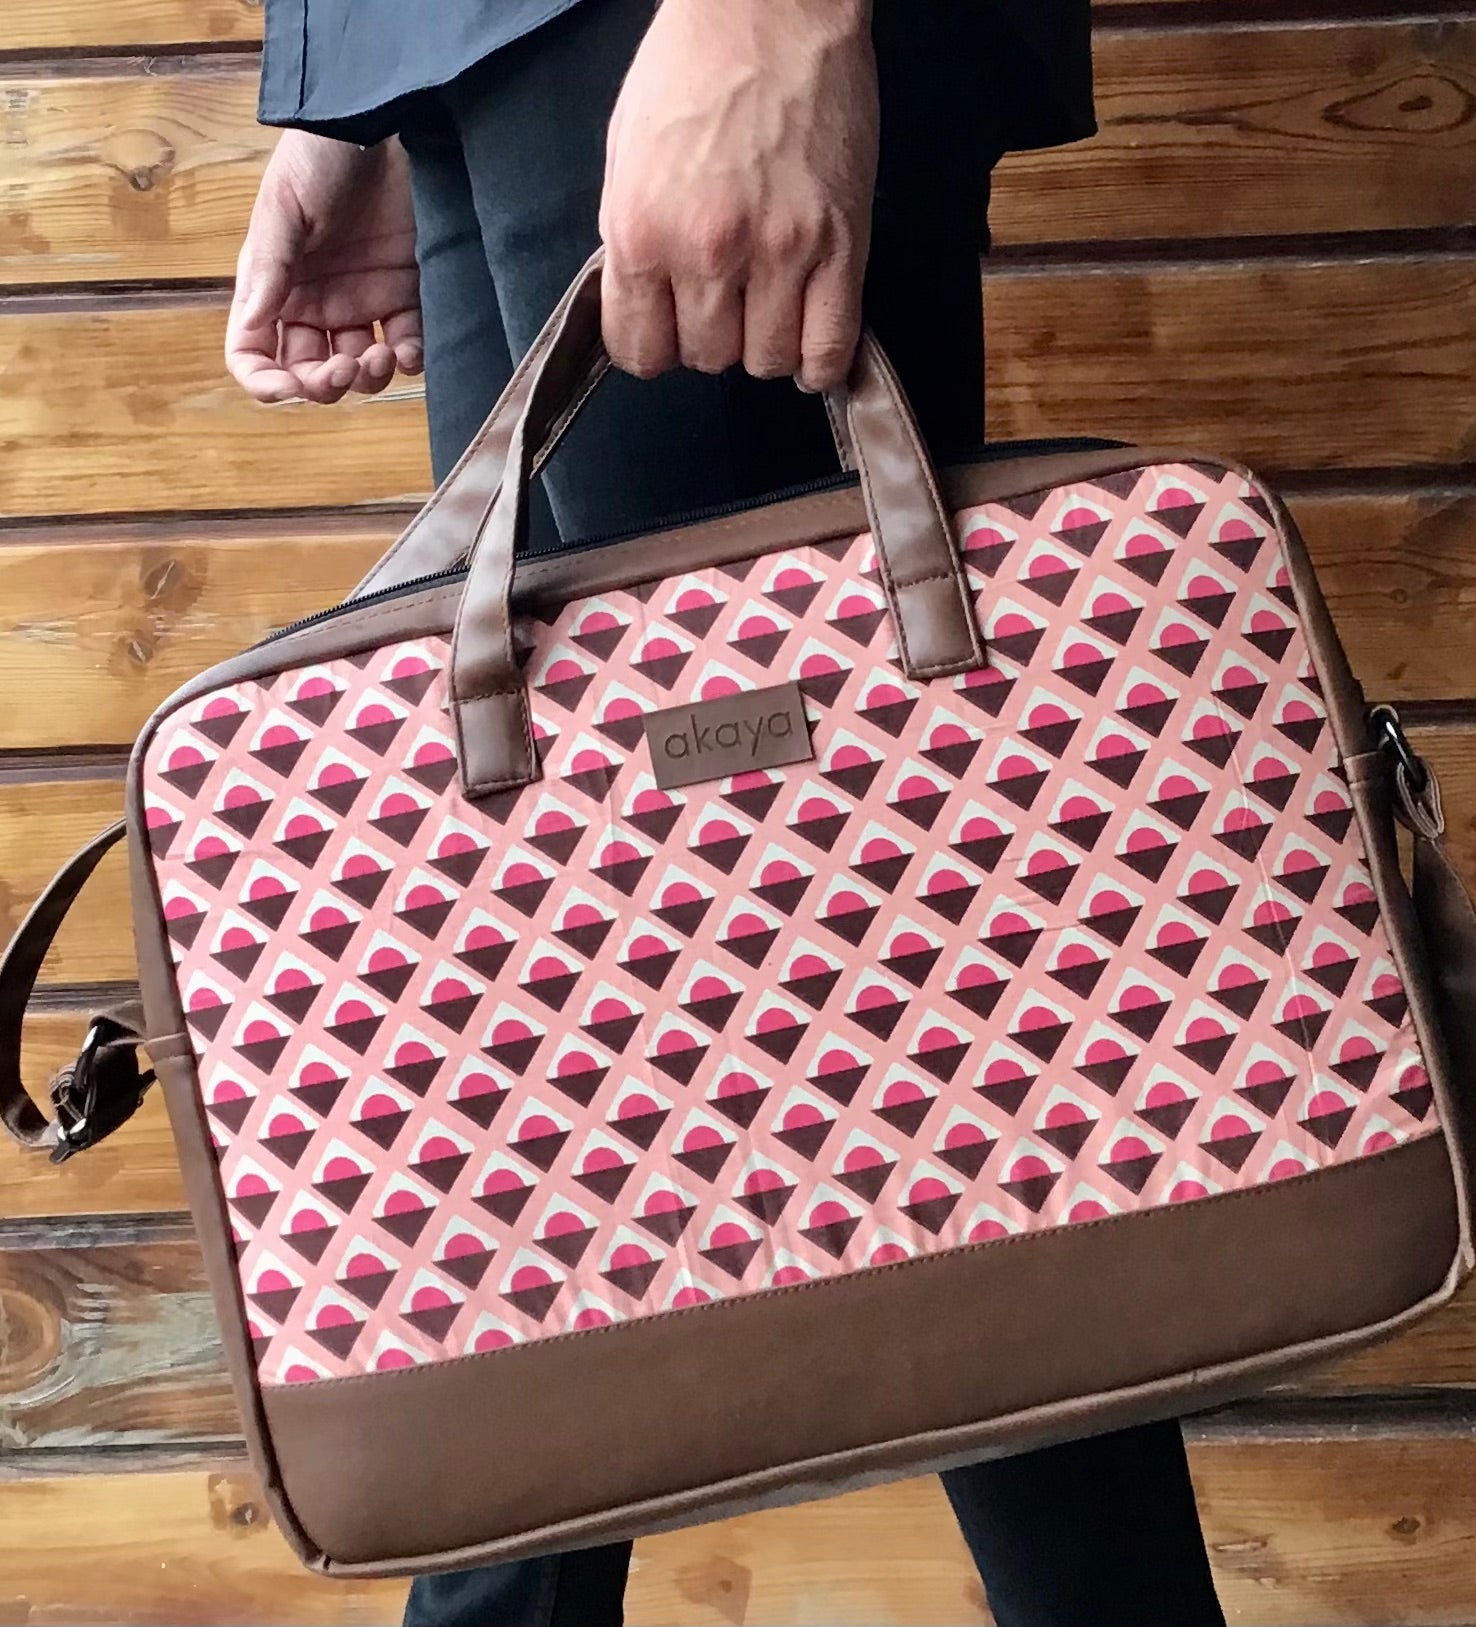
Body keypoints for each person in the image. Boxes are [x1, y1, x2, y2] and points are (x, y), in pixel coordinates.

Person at [224, 1, 1227, 1621]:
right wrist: (355, 87)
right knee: (573, 1034)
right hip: (486, 44)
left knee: (915, 1032)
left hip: (664, 28)